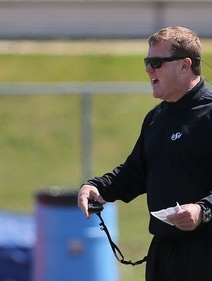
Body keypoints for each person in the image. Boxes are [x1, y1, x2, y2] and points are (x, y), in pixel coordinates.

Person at [78, 26, 212, 281]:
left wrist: (202, 210)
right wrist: (97, 187)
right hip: (165, 252)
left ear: (185, 65)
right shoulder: (156, 118)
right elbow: (135, 173)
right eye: (147, 62)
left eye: (156, 62)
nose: (149, 69)